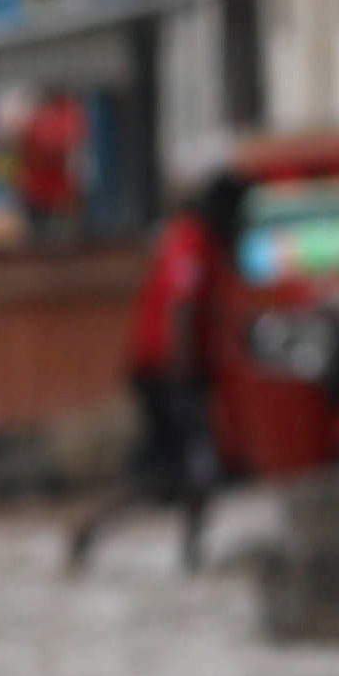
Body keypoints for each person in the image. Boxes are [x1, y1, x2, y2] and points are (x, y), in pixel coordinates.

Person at [65, 168, 238, 574]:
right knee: (182, 469)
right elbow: (181, 306)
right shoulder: (191, 241)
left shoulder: (191, 239)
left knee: (178, 470)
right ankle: (181, 552)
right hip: (166, 372)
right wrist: (182, 373)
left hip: (168, 370)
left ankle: (187, 553)